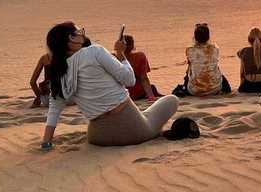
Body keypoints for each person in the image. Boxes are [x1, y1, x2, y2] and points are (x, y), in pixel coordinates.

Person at [42, 22, 179, 148]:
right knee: (172, 100)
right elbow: (129, 80)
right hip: (132, 132)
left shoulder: (58, 71)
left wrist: (46, 143)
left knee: (145, 113)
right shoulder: (94, 51)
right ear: (72, 38)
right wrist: (120, 53)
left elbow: (55, 108)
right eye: (80, 32)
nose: (83, 35)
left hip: (98, 138)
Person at [173, 23, 231, 96]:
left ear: (195, 37)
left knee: (190, 71)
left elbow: (190, 63)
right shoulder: (215, 48)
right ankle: (226, 90)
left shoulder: (190, 50)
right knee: (215, 70)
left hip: (195, 91)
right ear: (208, 36)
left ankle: (187, 88)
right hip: (215, 88)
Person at [119, 34, 159, 101]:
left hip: (122, 94)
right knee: (153, 88)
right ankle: (152, 96)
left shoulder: (113, 58)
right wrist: (151, 97)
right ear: (132, 46)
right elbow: (144, 79)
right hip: (138, 93)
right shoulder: (139, 56)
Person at [238, 27, 261, 93]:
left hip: (249, 85)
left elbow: (242, 72)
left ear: (249, 40)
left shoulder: (244, 52)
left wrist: (241, 86)